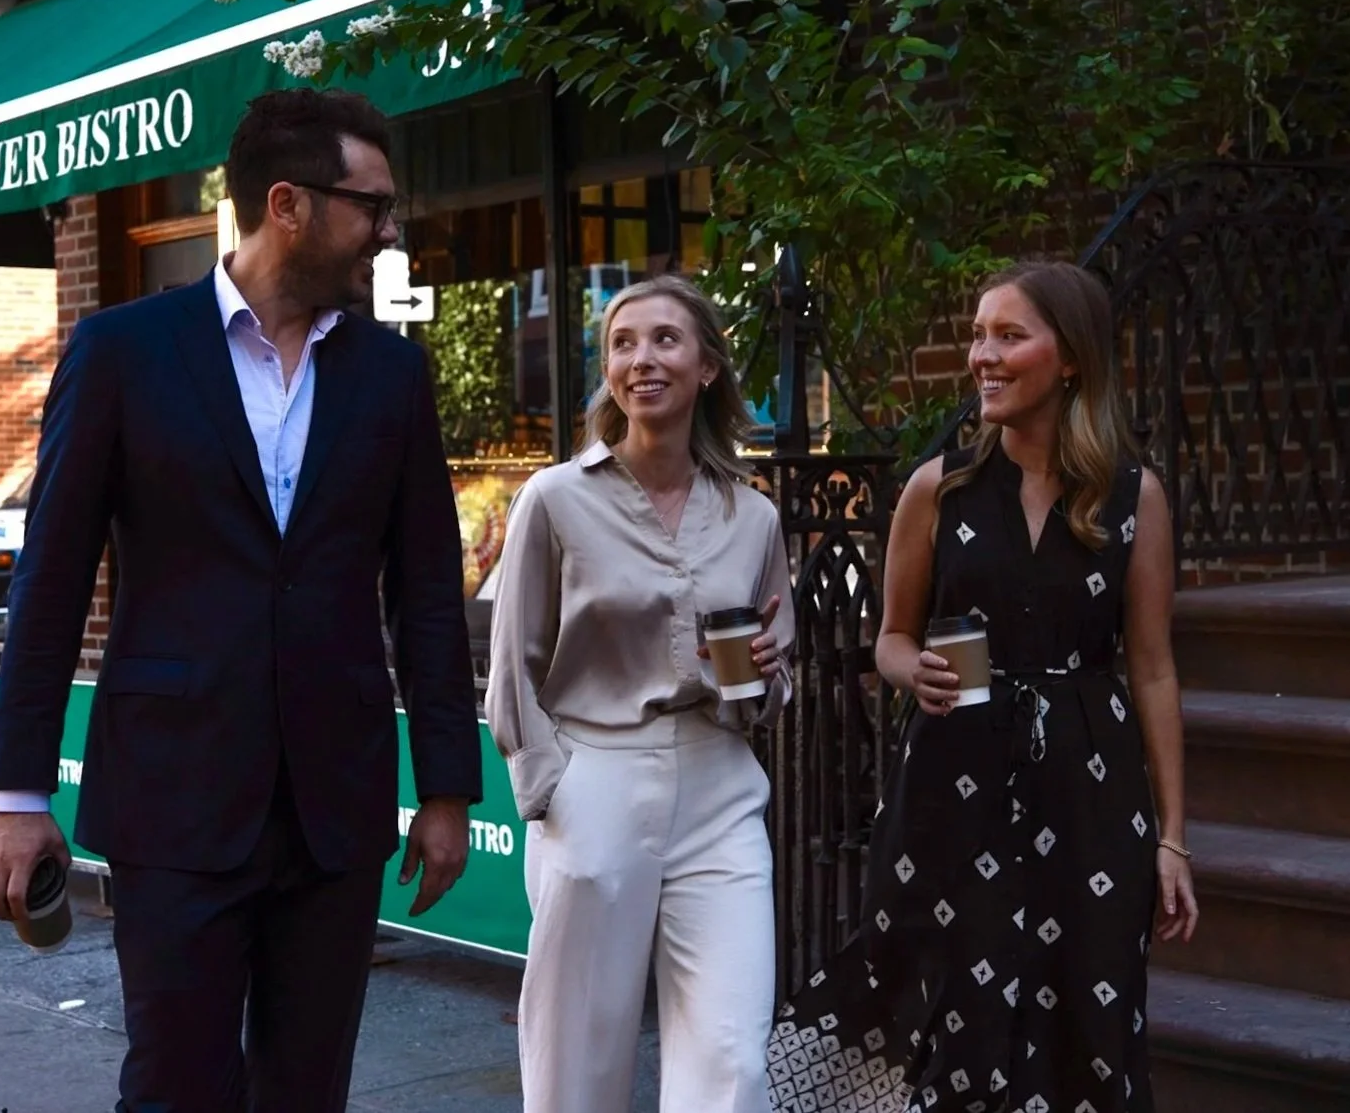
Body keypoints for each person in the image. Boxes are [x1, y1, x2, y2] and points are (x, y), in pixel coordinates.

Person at [0, 88, 482, 1113]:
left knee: (307, 1093)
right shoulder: (122, 350)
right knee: (176, 1088)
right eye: (371, 205)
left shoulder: (392, 375)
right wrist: (17, 794)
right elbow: (53, 578)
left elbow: (426, 590)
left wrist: (445, 788)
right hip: (175, 796)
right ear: (287, 204)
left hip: (335, 807)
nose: (389, 232)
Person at [768, 262, 1199, 1113]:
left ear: (1070, 358)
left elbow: (1150, 666)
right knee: (946, 1003)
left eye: (1009, 335)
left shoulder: (1132, 497)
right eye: (977, 334)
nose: (983, 356)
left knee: (1088, 1011)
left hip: (1090, 787)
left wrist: (1174, 837)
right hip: (952, 779)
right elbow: (891, 637)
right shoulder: (941, 487)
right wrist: (910, 667)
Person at [486, 274, 795, 1113]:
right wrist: (553, 790)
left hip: (721, 784)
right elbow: (513, 665)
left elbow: (774, 674)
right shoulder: (554, 500)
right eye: (623, 343)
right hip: (597, 776)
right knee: (576, 1057)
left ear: (707, 368)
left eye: (665, 339)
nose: (641, 359)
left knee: (733, 1057)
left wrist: (767, 674)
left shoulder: (752, 516)